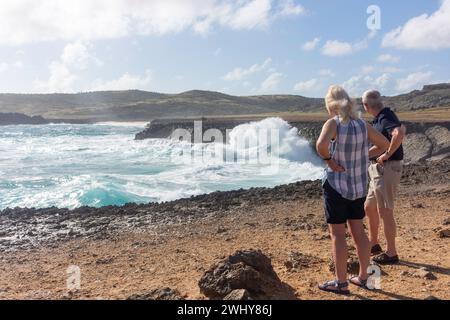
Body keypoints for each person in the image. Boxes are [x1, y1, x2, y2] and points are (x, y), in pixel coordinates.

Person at [317, 86, 389, 294]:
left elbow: (321, 146)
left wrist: (330, 161)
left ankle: (341, 283)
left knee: (338, 235)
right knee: (359, 231)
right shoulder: (362, 124)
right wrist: (363, 155)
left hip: (336, 185)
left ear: (331, 105)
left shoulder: (333, 123)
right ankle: (364, 277)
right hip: (358, 186)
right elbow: (384, 144)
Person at [362, 90, 407, 264]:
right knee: (369, 207)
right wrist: (364, 155)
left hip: (387, 168)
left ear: (366, 106)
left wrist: (387, 155)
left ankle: (391, 253)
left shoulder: (386, 116)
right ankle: (374, 244)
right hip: (378, 169)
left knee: (385, 211)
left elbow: (398, 134)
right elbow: (382, 144)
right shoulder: (380, 118)